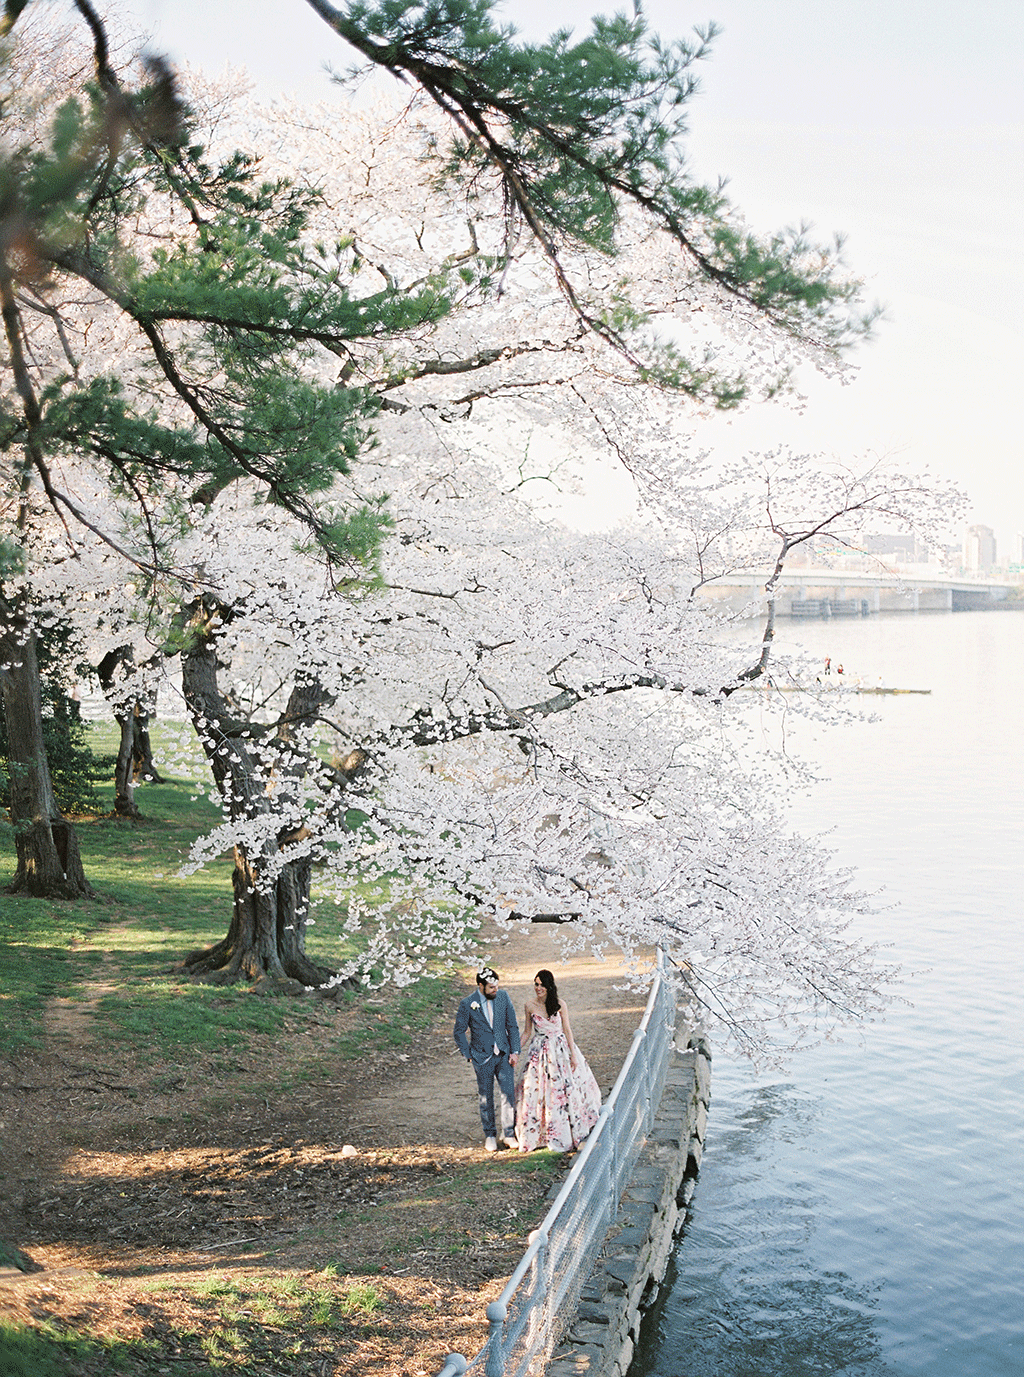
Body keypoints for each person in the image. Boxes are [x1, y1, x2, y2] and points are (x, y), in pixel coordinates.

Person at [515, 969, 601, 1153]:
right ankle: (539, 1132)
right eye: (536, 984)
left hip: (559, 1048)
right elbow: (527, 1032)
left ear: (549, 986)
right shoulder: (529, 1006)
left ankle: (567, 1128)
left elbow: (567, 1030)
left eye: (542, 985)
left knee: (563, 1088)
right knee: (535, 1089)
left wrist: (573, 1055)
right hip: (539, 1050)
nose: (538, 988)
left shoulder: (560, 1004)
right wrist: (515, 1051)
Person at [453, 967, 521, 1152]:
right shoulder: (468, 1003)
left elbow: (512, 1026)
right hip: (481, 1057)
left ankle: (508, 1134)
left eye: (497, 986)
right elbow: (459, 1032)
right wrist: (468, 1055)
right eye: (491, 987)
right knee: (486, 1096)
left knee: (508, 1094)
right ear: (480, 986)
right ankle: (490, 1134)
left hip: (504, 1054)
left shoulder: (503, 997)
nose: (495, 990)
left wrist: (515, 1051)